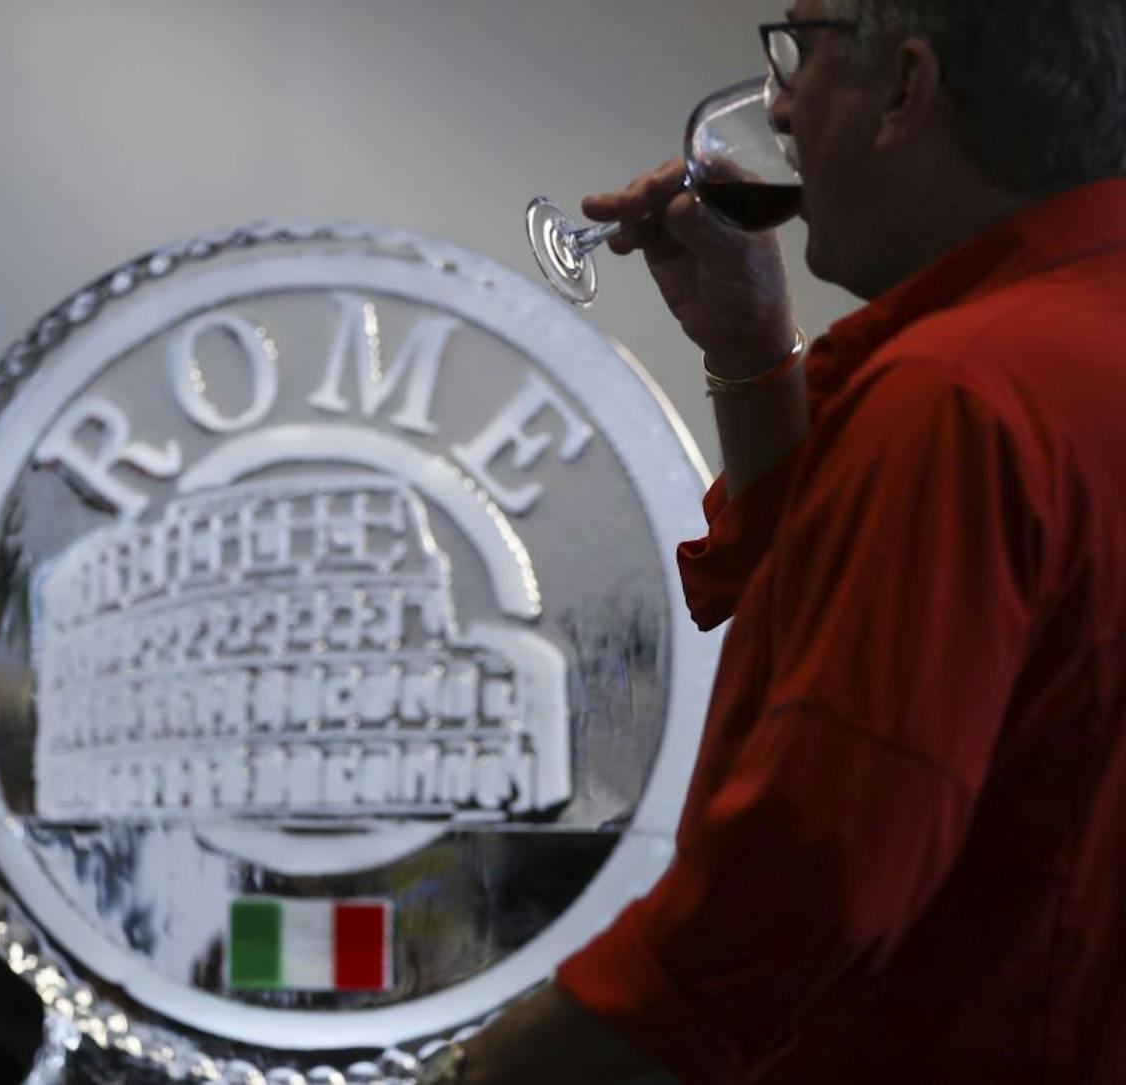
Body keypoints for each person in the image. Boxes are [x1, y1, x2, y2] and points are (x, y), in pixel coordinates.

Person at [419, 0, 1126, 1081]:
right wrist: (751, 349)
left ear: (903, 88)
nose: (780, 107)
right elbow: (845, 594)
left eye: (798, 51)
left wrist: (499, 1066)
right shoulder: (1069, 333)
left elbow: (808, 870)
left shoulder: (959, 393)